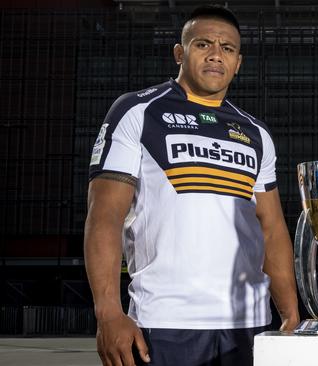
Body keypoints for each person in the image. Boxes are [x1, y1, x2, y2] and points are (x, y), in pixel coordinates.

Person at [84, 5, 299, 366]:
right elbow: (104, 215)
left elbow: (272, 228)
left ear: (238, 62)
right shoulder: (137, 111)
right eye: (204, 44)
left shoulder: (256, 133)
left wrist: (290, 313)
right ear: (179, 53)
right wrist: (108, 312)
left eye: (227, 48)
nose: (216, 54)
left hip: (248, 324)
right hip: (164, 322)